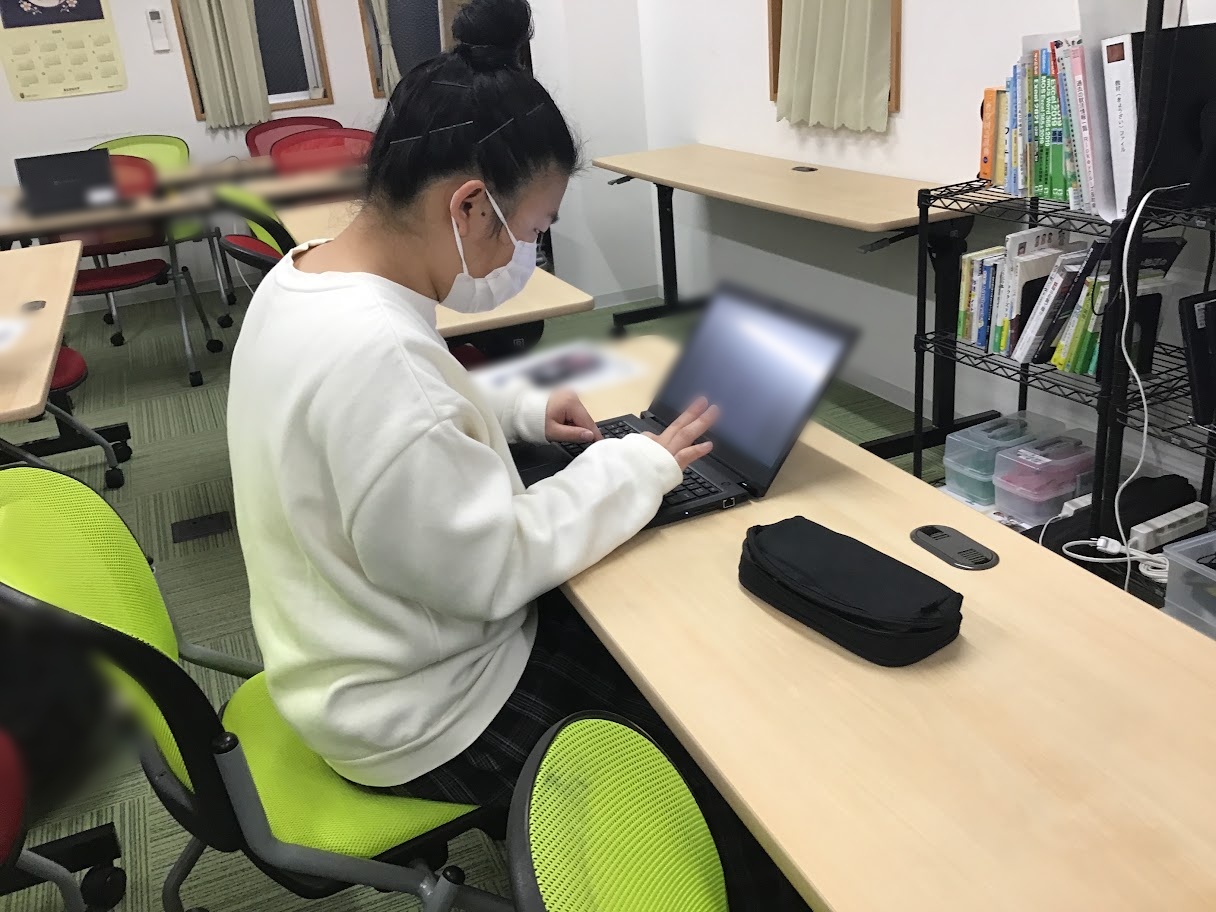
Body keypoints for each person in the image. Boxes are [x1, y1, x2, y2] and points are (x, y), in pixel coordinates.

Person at [227, 0, 804, 906]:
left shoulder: (305, 278)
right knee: (703, 730)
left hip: (340, 659)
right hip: (422, 715)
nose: (528, 252)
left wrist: (517, 409)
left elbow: (374, 428)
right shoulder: (379, 356)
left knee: (633, 612)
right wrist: (637, 464)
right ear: (468, 205)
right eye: (531, 229)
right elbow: (489, 568)